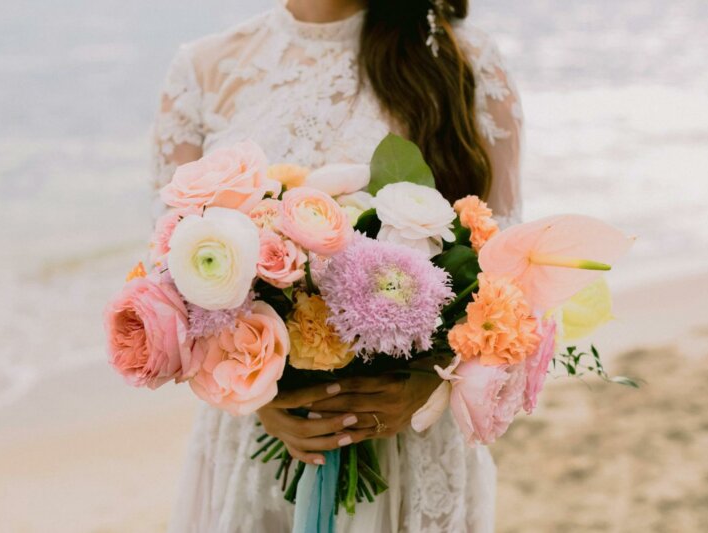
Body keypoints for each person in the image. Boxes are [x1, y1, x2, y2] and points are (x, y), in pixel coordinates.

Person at [152, 1, 523, 531]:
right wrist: (253, 396)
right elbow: (167, 272)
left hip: (410, 439)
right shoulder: (202, 69)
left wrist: (430, 389)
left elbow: (508, 276)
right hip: (257, 443)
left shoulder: (463, 58)